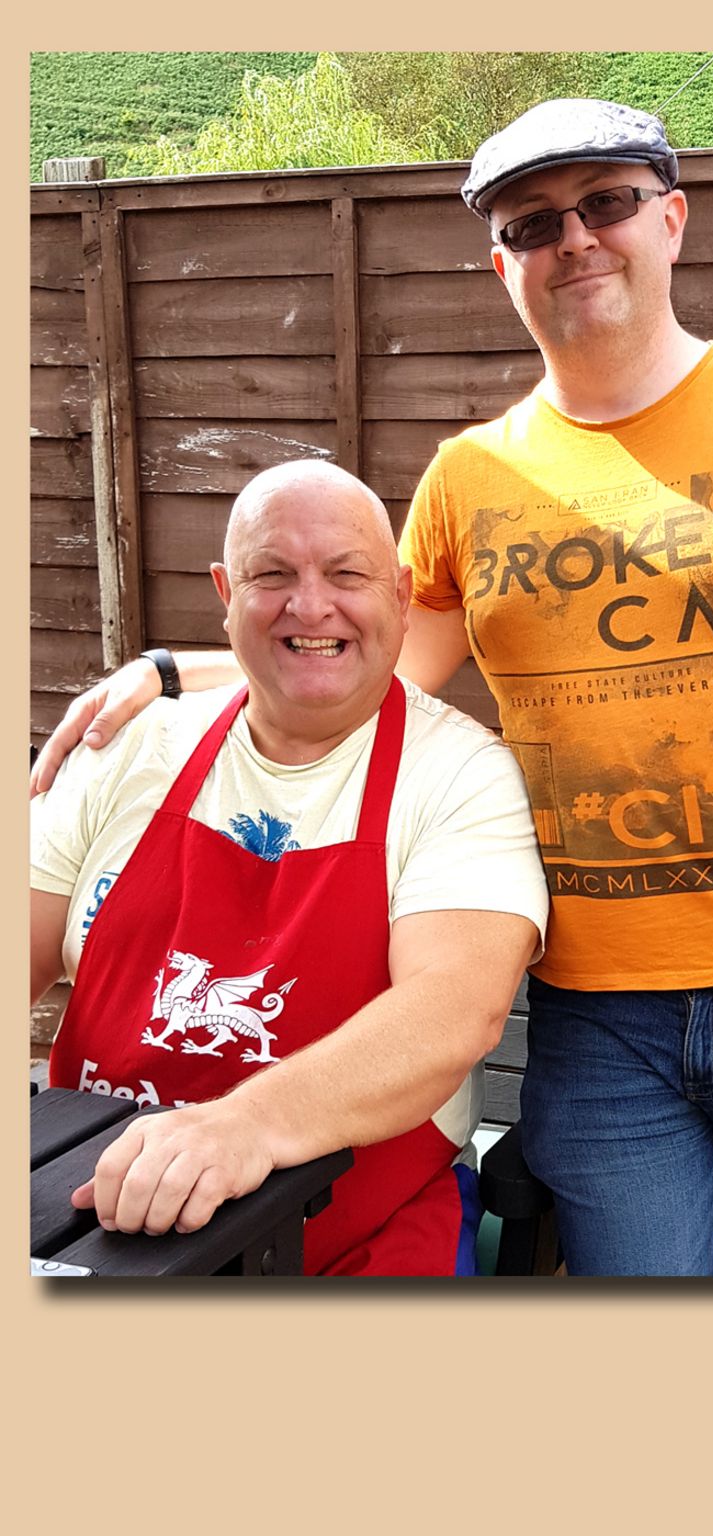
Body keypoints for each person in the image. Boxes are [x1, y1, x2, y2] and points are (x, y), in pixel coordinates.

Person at [30, 98, 713, 1276]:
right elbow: (361, 653)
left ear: (671, 220)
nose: (574, 239)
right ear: (498, 265)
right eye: (532, 223)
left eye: (606, 203)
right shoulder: (471, 476)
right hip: (606, 1014)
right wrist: (177, 672)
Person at [29, 462, 548, 1277]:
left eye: (347, 574)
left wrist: (243, 1128)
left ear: (403, 596)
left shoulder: (460, 774)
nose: (311, 606)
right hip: (94, 1211)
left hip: (356, 1230)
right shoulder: (127, 748)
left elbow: (455, 1010)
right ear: (224, 593)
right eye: (272, 574)